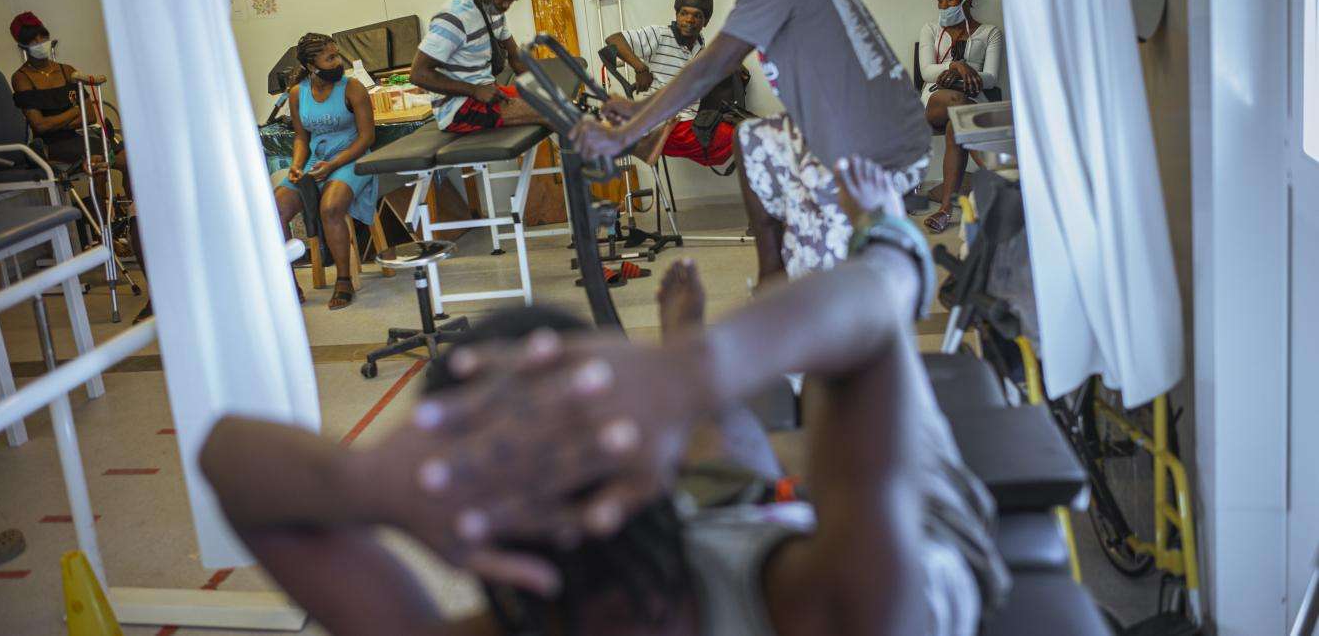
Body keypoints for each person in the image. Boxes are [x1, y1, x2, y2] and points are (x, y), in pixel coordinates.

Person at [200, 157, 1006, 636]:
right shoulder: (848, 601)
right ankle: (873, 226)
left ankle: (684, 365)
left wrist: (369, 484)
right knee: (743, 464)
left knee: (722, 474)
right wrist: (692, 369)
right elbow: (879, 310)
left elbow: (225, 459)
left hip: (712, 526)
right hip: (870, 551)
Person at [574, 0, 931, 287]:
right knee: (753, 140)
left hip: (873, 145)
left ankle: (811, 303)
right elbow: (709, 66)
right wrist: (641, 111)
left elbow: (714, 63)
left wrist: (627, 130)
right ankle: (771, 277)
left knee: (815, 273)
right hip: (876, 126)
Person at [8, 11, 153, 323]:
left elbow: (91, 111)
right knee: (102, 163)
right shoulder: (21, 78)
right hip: (59, 144)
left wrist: (72, 115)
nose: (40, 45)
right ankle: (109, 229)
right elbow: (41, 126)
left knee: (131, 160)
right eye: (32, 41)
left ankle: (125, 220)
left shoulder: (68, 71)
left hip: (90, 133)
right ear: (22, 45)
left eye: (42, 38)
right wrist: (74, 113)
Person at [273, 32, 377, 310]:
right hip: (314, 163)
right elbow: (300, 138)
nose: (338, 62)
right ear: (311, 65)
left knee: (330, 208)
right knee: (275, 208)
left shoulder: (353, 88)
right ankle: (288, 284)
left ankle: (343, 280)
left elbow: (367, 137)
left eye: (337, 55)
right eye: (330, 58)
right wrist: (296, 165)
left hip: (351, 159)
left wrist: (333, 165)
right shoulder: (297, 93)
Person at [603, 0, 739, 168]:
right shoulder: (660, 35)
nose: (689, 20)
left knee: (737, 130)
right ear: (676, 15)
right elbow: (614, 39)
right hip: (666, 123)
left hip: (687, 121)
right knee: (736, 136)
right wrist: (640, 68)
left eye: (697, 16)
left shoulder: (701, 47)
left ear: (705, 21)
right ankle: (646, 141)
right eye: (684, 13)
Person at [410, 0, 544, 134]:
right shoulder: (454, 16)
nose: (506, 5)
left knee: (559, 104)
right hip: (459, 109)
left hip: (487, 94)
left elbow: (515, 58)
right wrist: (474, 90)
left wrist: (542, 90)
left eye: (512, 1)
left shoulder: (495, 11)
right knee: (549, 111)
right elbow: (418, 73)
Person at [917, 0, 1003, 234]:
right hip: (936, 97)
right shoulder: (931, 29)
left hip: (972, 99)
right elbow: (926, 71)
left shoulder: (990, 33)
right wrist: (958, 66)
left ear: (967, 0)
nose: (944, 6)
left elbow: (990, 77)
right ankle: (999, 173)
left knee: (958, 123)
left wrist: (967, 73)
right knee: (955, 101)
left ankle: (944, 211)